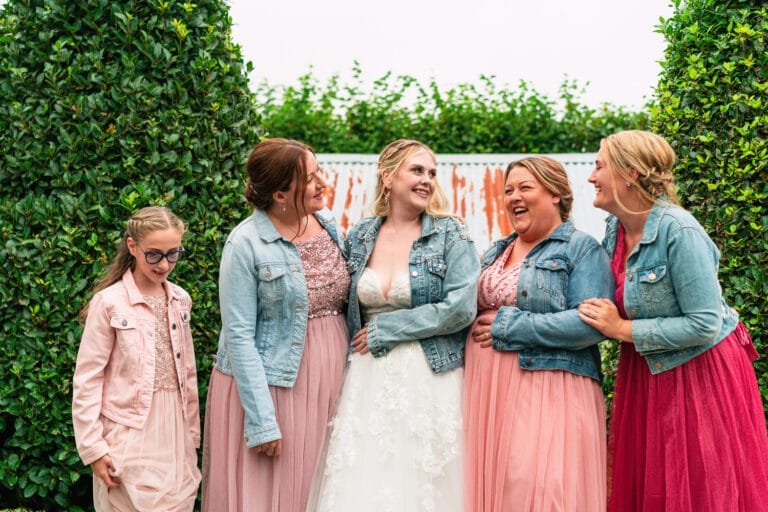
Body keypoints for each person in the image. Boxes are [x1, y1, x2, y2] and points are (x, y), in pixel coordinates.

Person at [579, 130, 768, 511]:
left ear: (629, 174)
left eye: (599, 165)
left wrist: (621, 329)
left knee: (700, 490)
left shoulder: (679, 230)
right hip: (648, 373)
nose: (591, 176)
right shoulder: (616, 229)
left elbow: (704, 324)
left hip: (699, 376)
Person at [311, 139, 480, 511]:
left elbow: (460, 309)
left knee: (425, 483)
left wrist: (387, 329)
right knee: (364, 479)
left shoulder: (451, 234)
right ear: (388, 177)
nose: (427, 180)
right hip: (365, 378)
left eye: (432, 173)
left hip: (430, 374)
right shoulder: (360, 234)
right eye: (417, 171)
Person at [201, 138, 350, 512]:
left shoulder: (329, 224)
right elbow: (238, 334)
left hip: (332, 376)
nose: (322, 184)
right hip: (274, 385)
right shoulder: (245, 244)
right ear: (281, 194)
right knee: (276, 493)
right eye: (311, 179)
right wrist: (263, 421)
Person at [464, 156, 613, 511]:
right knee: (493, 488)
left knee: (538, 489)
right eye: (508, 190)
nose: (514, 196)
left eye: (525, 188)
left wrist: (511, 327)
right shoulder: (497, 250)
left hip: (548, 388)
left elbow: (590, 324)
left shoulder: (581, 248)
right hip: (487, 391)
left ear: (556, 195)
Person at [72, 206, 200, 511]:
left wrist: (192, 435)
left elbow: (188, 371)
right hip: (126, 430)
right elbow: (88, 378)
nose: (164, 264)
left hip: (173, 431)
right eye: (154, 254)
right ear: (133, 246)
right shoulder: (109, 303)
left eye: (174, 254)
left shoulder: (181, 299)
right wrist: (93, 448)